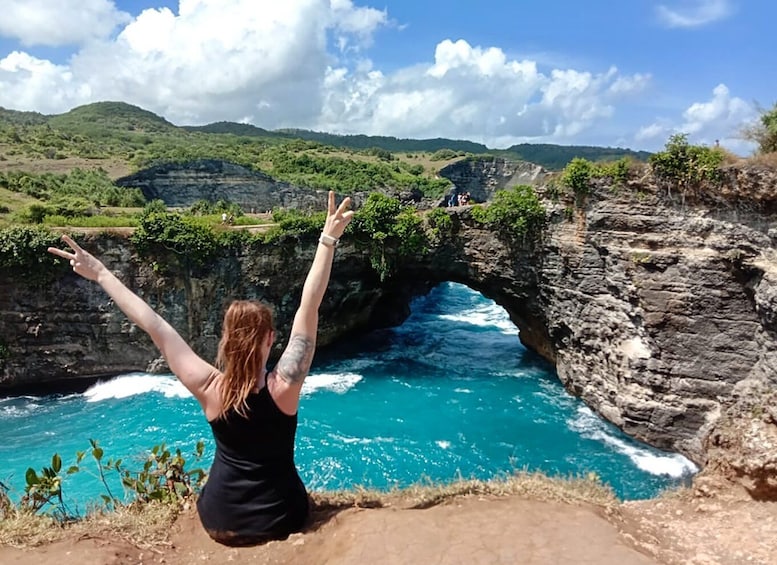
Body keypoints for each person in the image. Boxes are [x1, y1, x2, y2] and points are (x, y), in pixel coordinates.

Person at [47, 191, 354, 546]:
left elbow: (154, 325)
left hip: (221, 518)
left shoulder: (210, 389)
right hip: (279, 517)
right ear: (271, 339)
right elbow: (309, 305)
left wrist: (100, 273)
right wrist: (328, 240)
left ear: (225, 341)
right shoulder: (284, 385)